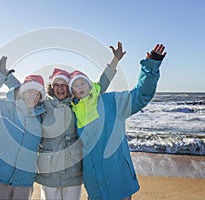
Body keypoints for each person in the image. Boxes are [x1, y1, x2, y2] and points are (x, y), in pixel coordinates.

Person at [68, 43, 166, 200]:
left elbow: (141, 95)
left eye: (83, 83)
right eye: (75, 86)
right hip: (94, 184)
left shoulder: (112, 101)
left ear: (90, 84)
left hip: (118, 177)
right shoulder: (73, 113)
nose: (80, 87)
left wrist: (151, 66)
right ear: (72, 92)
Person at [35, 43, 124, 200]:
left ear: (69, 89)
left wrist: (115, 61)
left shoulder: (78, 103)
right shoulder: (43, 104)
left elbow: (100, 86)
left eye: (64, 85)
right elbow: (25, 94)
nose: (61, 88)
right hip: (49, 167)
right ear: (52, 87)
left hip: (73, 167)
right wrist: (5, 76)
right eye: (57, 85)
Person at [0, 53, 46, 200]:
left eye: (37, 94)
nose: (33, 96)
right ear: (23, 93)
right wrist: (1, 75)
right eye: (30, 91)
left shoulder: (42, 116)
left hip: (24, 181)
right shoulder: (6, 109)